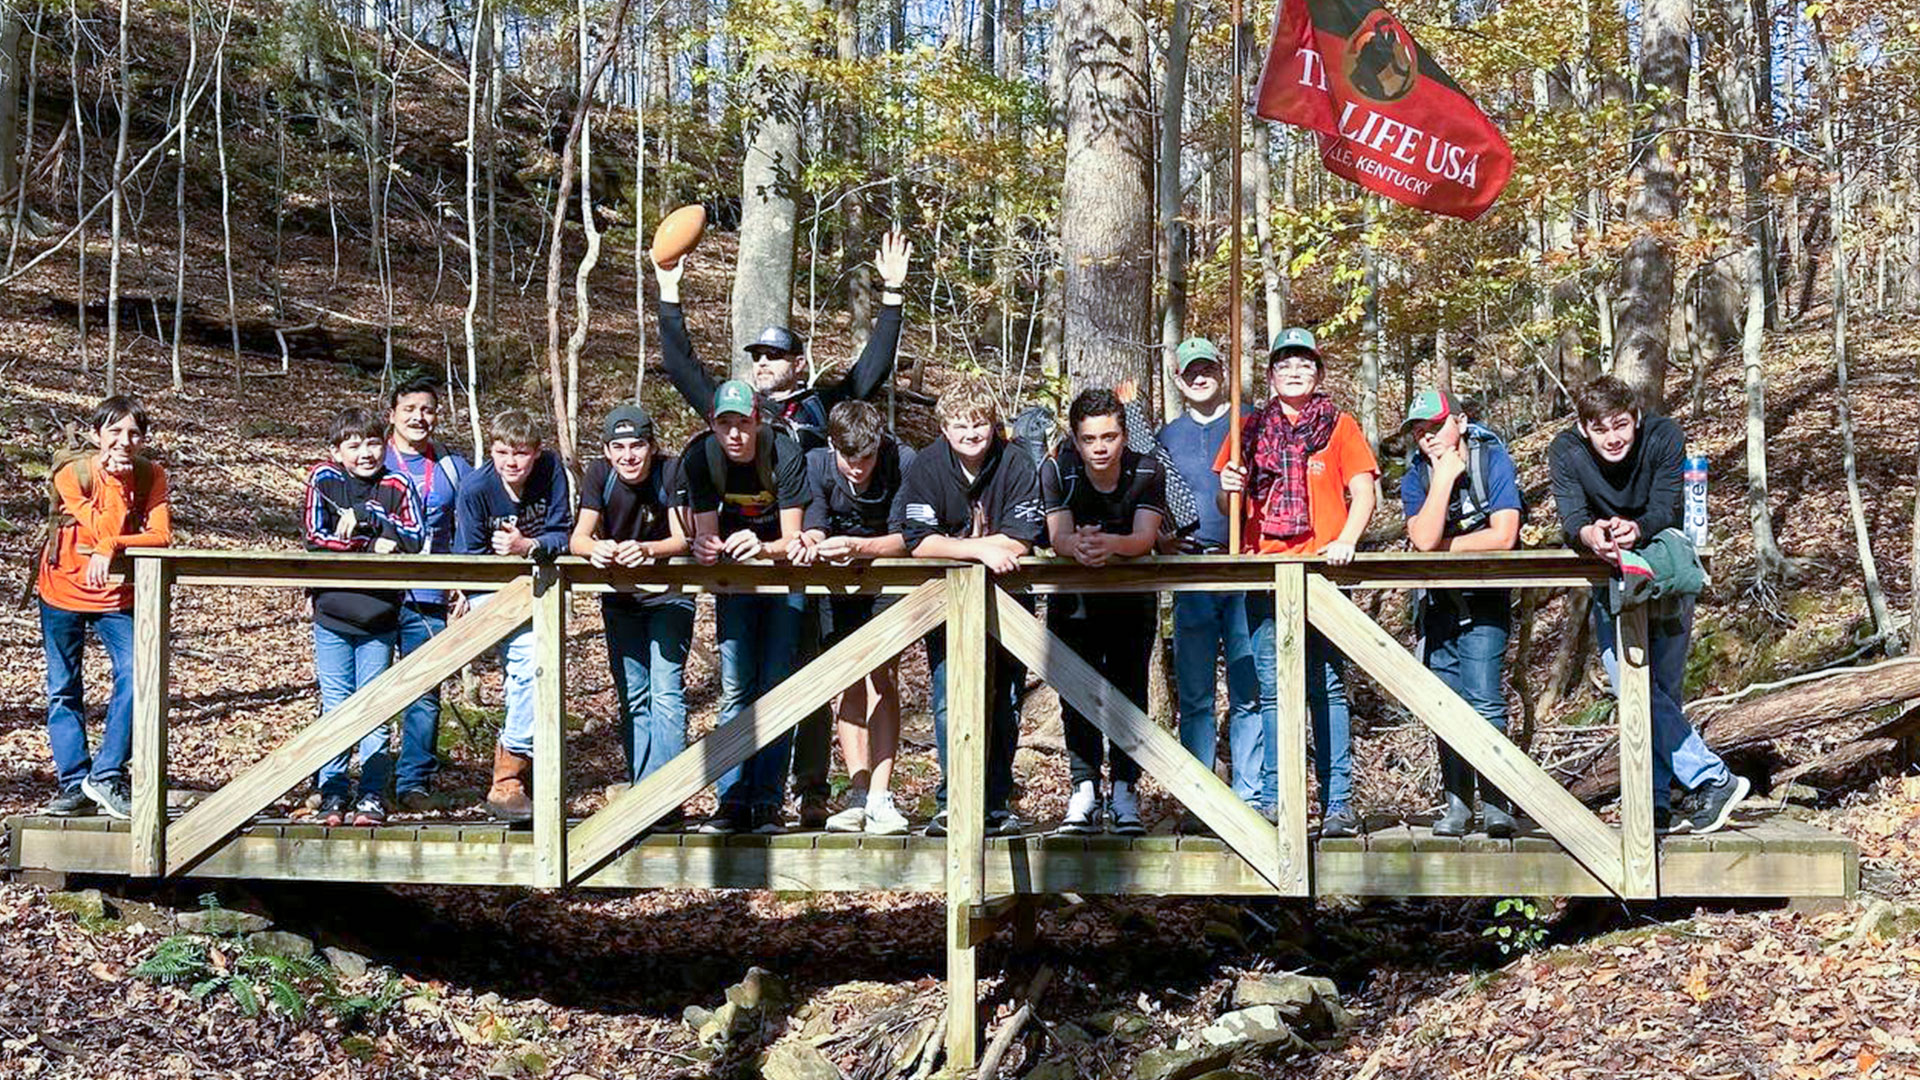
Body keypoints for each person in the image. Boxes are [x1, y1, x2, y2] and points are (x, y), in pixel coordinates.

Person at [654, 231, 913, 827]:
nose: (764, 362)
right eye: (757, 356)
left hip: (810, 557)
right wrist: (670, 291)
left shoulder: (821, 408)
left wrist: (892, 294)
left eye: (775, 354)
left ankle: (813, 790)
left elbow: (870, 369)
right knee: (748, 683)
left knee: (817, 676)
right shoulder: (735, 409)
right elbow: (681, 367)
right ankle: (743, 797)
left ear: (799, 361)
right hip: (748, 565)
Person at [1548, 375, 1749, 834]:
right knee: (1629, 682)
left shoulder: (1664, 436)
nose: (1613, 438)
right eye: (1600, 429)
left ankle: (1667, 799)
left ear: (1636, 417)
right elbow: (1571, 517)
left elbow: (1666, 506)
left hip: (1666, 568)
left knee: (1664, 689)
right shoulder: (1564, 451)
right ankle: (1701, 781)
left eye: (1621, 424)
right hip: (1609, 574)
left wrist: (1634, 529)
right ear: (1583, 429)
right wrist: (1590, 535)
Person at [1217, 328, 1378, 839]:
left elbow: (1364, 491)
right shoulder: (1249, 427)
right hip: (1266, 571)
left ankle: (1338, 804)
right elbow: (1228, 506)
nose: (1294, 370)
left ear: (1319, 373)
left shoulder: (1340, 427)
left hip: (1323, 574)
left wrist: (1348, 538)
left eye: (1305, 363)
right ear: (1270, 375)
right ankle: (1275, 796)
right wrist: (1229, 489)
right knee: (1271, 689)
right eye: (1285, 363)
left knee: (1327, 687)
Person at [893, 375, 1046, 837]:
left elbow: (1022, 538)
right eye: (960, 426)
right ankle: (953, 800)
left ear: (994, 425)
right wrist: (980, 550)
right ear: (944, 429)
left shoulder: (1016, 461)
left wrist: (959, 544)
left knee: (1008, 702)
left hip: (1010, 602)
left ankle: (996, 803)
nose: (971, 434)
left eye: (979, 424)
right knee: (948, 699)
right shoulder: (926, 465)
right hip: (946, 604)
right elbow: (919, 542)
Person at [34, 396, 173, 820]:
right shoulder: (71, 474)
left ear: (144, 439)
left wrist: (112, 546)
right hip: (61, 588)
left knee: (138, 672)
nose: (124, 441)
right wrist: (112, 498)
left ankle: (108, 773)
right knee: (63, 688)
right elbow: (98, 527)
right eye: (114, 431)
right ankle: (74, 783)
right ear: (97, 436)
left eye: (133, 433)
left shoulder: (152, 476)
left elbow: (161, 536)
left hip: (117, 594)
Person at [684, 379, 813, 835]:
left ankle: (768, 802)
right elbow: (705, 534)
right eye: (725, 425)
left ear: (758, 420)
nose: (735, 435)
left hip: (782, 578)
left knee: (775, 686)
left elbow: (793, 539)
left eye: (743, 423)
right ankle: (731, 799)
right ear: (712, 426)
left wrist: (761, 545)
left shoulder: (784, 453)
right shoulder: (701, 457)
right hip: (734, 580)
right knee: (736, 687)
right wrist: (705, 547)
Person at [1042, 389, 1167, 835]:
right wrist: (1077, 545)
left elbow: (1143, 537)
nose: (1100, 447)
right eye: (1090, 438)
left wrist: (1105, 545)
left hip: (1131, 598)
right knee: (1075, 692)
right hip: (1073, 600)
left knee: (1129, 691)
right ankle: (1085, 788)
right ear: (1075, 441)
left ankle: (1126, 790)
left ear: (1124, 435)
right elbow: (1058, 535)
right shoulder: (1057, 469)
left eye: (1109, 437)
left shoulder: (1148, 469)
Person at [1399, 389, 1523, 837]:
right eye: (1419, 432)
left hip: (1486, 598)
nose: (1428, 439)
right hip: (1437, 605)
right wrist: (1444, 479)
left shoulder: (1493, 461)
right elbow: (1423, 538)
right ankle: (1457, 804)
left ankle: (1496, 800)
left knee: (1485, 700)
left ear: (1462, 421)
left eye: (1436, 428)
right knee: (1445, 705)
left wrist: (1445, 547)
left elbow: (1505, 534)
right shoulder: (1416, 476)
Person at [791, 401, 916, 836]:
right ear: (832, 446)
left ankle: (882, 795)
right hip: (836, 585)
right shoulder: (816, 464)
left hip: (886, 580)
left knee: (881, 675)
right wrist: (812, 539)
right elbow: (816, 521)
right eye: (849, 459)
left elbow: (907, 538)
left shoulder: (903, 461)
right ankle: (859, 792)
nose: (858, 469)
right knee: (847, 680)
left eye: (867, 459)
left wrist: (858, 547)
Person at [303, 406, 428, 826]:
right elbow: (315, 538)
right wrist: (370, 545)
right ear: (337, 451)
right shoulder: (324, 479)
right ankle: (333, 791)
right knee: (336, 705)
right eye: (353, 445)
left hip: (380, 615)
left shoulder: (397, 483)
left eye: (373, 443)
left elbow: (414, 537)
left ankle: (372, 793)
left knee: (374, 707)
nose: (365, 453)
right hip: (333, 612)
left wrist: (370, 517)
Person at [569, 404, 694, 807]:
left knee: (666, 693)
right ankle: (643, 794)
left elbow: (682, 539)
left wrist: (647, 549)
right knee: (633, 696)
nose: (629, 456)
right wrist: (597, 549)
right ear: (606, 451)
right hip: (620, 599)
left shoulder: (671, 471)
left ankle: (668, 796)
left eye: (637, 445)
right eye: (619, 447)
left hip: (670, 596)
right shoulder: (599, 475)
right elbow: (578, 539)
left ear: (652, 446)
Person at [1158, 338, 1262, 821]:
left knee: (1249, 687)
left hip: (1243, 568)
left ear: (1222, 371)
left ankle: (1251, 793)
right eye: (1190, 372)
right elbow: (1152, 495)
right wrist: (1162, 538)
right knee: (1196, 692)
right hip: (1192, 568)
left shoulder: (1249, 422)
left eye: (1207, 369)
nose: (1199, 378)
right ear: (1178, 380)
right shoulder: (1168, 436)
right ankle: (1200, 795)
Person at [453, 409, 573, 823]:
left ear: (536, 454)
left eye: (521, 453)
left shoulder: (552, 471)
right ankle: (511, 779)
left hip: (539, 583)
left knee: (533, 670)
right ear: (491, 451)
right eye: (502, 452)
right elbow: (467, 555)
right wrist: (470, 594)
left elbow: (565, 535)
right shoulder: (476, 487)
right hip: (491, 589)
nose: (511, 462)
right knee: (527, 663)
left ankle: (512, 780)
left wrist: (528, 545)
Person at [382, 375, 474, 811]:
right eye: (410, 410)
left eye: (427, 410)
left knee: (426, 693)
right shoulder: (370, 457)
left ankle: (413, 782)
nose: (419, 418)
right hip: (375, 596)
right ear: (392, 415)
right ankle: (364, 782)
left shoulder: (454, 467)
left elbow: (469, 524)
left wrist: (463, 581)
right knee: (369, 690)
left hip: (429, 598)